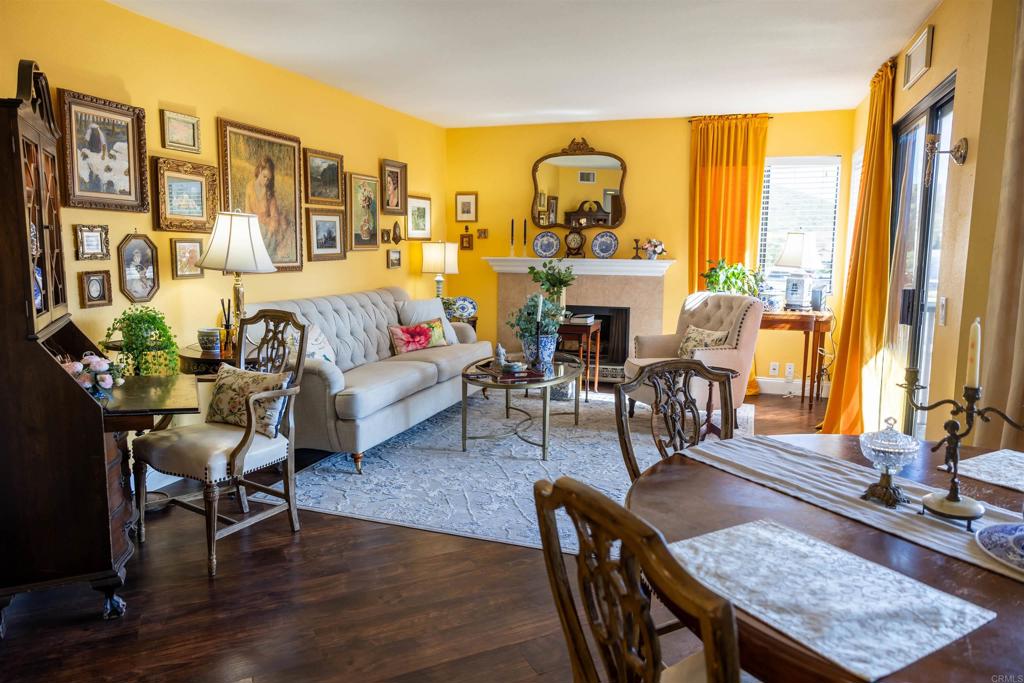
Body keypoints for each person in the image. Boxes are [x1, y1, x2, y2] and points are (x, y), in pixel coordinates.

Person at [244, 156, 293, 262]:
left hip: (268, 225)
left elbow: (274, 216)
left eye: (269, 179)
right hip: (255, 224)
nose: (266, 181)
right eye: (264, 176)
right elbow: (247, 211)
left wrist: (269, 234)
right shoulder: (249, 186)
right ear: (260, 171)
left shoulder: (269, 192)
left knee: (283, 224)